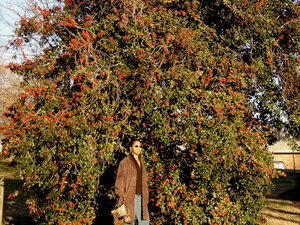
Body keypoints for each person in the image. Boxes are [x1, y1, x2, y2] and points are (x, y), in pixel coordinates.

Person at [114, 139, 150, 225]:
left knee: (145, 222)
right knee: (127, 222)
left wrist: (146, 196)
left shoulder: (141, 163)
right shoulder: (124, 162)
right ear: (131, 148)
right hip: (129, 199)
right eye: (136, 146)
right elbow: (119, 182)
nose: (138, 148)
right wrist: (121, 197)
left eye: (140, 146)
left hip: (142, 199)